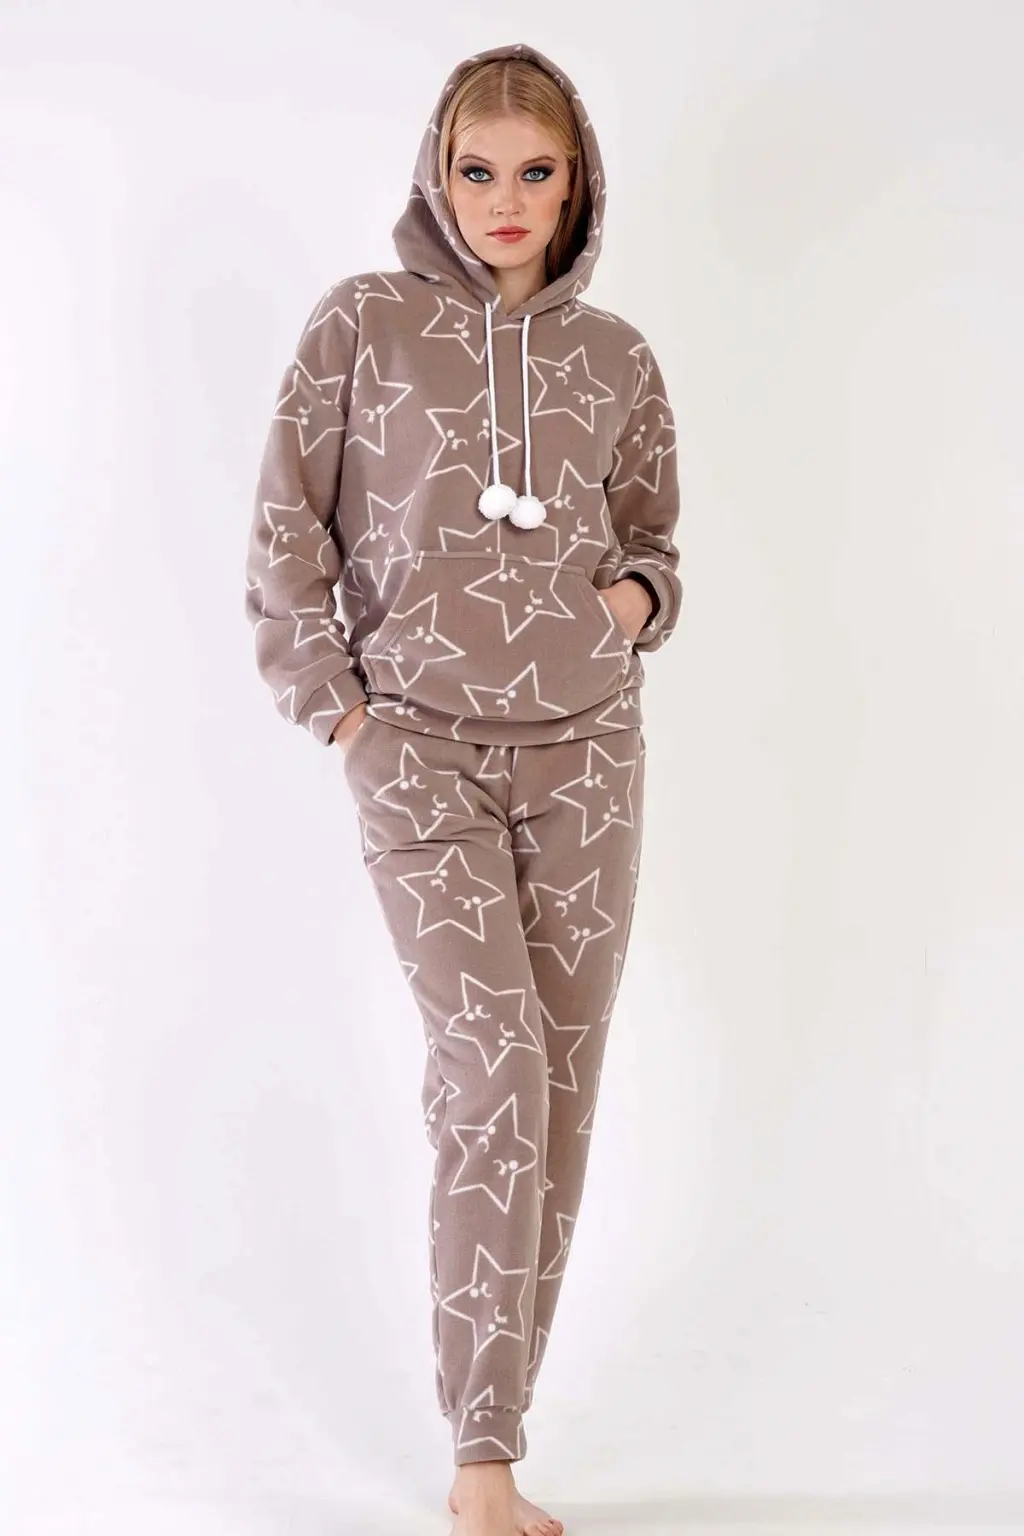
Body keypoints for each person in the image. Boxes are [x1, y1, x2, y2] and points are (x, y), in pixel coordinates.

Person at [244, 39, 683, 1536]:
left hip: (588, 756)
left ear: (578, 183)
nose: (506, 200)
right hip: (416, 747)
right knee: (495, 1067)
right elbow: (286, 526)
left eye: (535, 173)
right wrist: (339, 710)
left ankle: (497, 1436)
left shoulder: (618, 357)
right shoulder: (361, 323)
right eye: (477, 169)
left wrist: (628, 607)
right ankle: (480, 1460)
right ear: (438, 173)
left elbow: (656, 543)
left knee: (559, 1089)